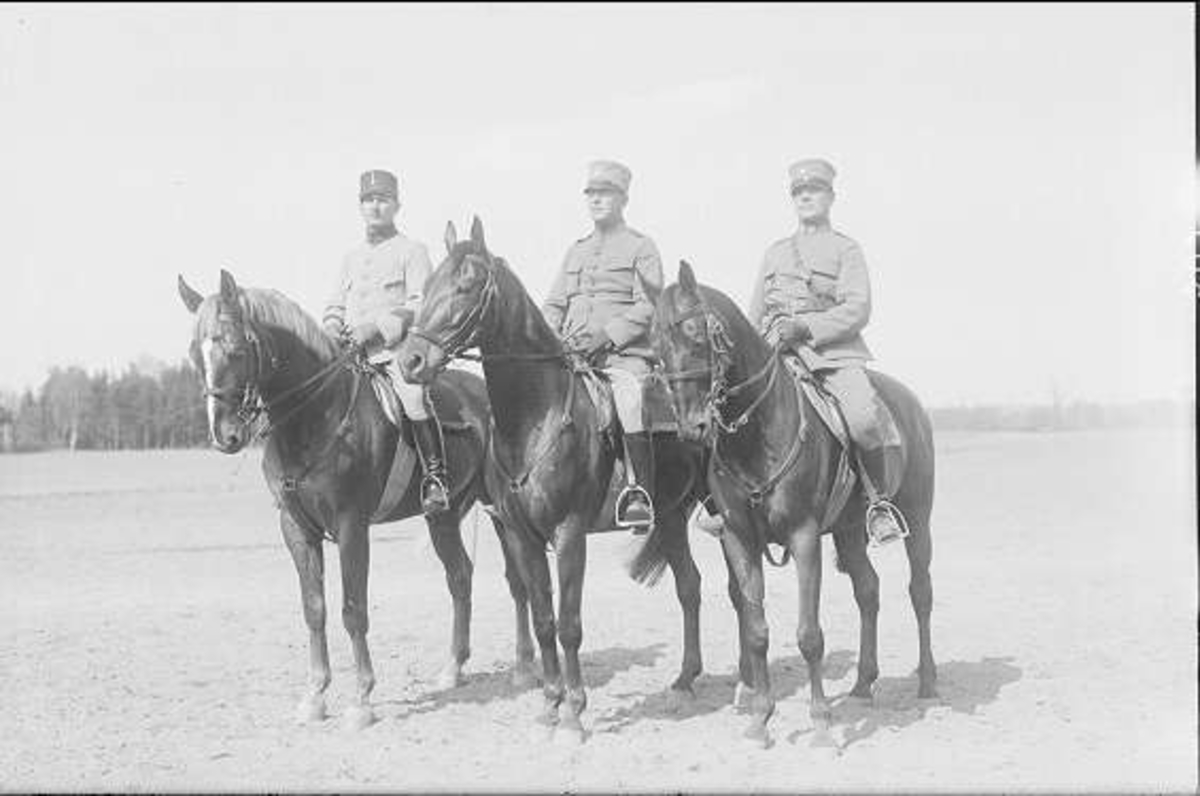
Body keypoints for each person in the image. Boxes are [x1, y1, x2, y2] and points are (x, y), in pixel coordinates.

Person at [747, 158, 907, 546]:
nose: (806, 197)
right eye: (799, 192)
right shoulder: (775, 253)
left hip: (832, 356)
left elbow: (857, 309)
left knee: (863, 417)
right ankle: (726, 504)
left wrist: (805, 328)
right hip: (778, 355)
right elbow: (755, 313)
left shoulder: (845, 250)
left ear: (831, 197)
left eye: (814, 190)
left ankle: (878, 505)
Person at [542, 159, 662, 534]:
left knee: (629, 400)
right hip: (572, 355)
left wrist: (608, 335)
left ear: (623, 199)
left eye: (605, 193)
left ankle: (638, 493)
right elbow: (554, 304)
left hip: (620, 357)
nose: (596, 200)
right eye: (591, 193)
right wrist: (550, 337)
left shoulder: (641, 246)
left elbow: (649, 305)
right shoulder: (576, 250)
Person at [322, 169, 449, 515]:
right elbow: (335, 304)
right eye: (368, 200)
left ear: (397, 206)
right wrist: (331, 327)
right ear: (360, 207)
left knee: (414, 399)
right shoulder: (350, 258)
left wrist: (377, 328)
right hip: (350, 356)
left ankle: (435, 478)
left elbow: (421, 302)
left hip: (392, 353)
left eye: (382, 200)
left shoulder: (412, 251)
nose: (375, 207)